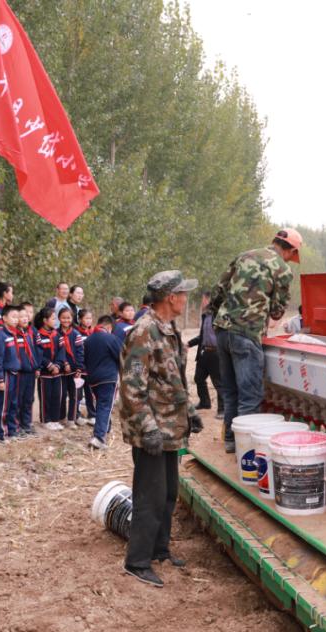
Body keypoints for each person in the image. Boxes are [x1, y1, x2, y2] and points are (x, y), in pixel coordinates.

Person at [119, 270, 202, 588]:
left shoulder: (169, 329)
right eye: (183, 293)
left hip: (171, 427)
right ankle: (137, 561)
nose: (186, 298)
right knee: (149, 496)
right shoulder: (143, 332)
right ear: (171, 297)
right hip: (152, 429)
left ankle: (159, 550)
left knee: (167, 493)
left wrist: (190, 411)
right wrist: (147, 427)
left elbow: (175, 378)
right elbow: (132, 386)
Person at [210, 229, 299, 453]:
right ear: (290, 250)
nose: (290, 259)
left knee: (230, 391)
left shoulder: (244, 256)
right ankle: (245, 451)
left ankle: (230, 440)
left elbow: (218, 290)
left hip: (222, 330)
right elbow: (278, 311)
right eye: (292, 255)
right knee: (250, 396)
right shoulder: (282, 269)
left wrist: (220, 316)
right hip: (246, 334)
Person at [84, 315, 123, 450]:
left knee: (102, 405)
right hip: (108, 378)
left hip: (92, 379)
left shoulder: (88, 340)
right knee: (105, 406)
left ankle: (106, 429)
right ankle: (99, 437)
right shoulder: (111, 338)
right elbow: (122, 357)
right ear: (109, 327)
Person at [188, 291, 223, 417]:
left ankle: (222, 410)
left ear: (210, 300)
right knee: (198, 378)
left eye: (204, 299)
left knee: (219, 383)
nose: (202, 302)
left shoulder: (219, 316)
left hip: (216, 353)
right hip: (204, 352)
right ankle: (205, 402)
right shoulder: (205, 316)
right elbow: (203, 336)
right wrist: (189, 343)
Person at [0, 305, 23, 442]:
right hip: (5, 374)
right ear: (4, 318)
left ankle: (12, 429)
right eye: (13, 317)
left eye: (18, 317)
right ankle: (1, 432)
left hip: (15, 374)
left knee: (13, 403)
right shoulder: (1, 335)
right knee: (3, 404)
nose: (16, 320)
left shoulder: (15, 333)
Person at [34, 307, 63, 431]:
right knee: (46, 396)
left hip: (57, 372)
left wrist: (57, 365)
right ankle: (46, 420)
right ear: (45, 320)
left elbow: (62, 351)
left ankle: (55, 420)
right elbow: (39, 354)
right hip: (45, 373)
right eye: (53, 318)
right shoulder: (38, 335)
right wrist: (49, 365)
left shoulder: (57, 334)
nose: (55, 321)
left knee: (57, 395)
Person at [56, 307, 85, 426]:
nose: (66, 320)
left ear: (72, 318)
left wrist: (79, 368)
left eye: (68, 317)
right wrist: (63, 363)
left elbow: (80, 352)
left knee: (75, 395)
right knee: (62, 394)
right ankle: (61, 417)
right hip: (62, 370)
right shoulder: (56, 334)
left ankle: (71, 419)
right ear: (59, 319)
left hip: (74, 370)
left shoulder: (76, 334)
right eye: (63, 318)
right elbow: (57, 352)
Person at [16, 303, 38, 436]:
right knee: (19, 398)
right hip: (20, 372)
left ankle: (27, 423)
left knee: (29, 399)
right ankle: (17, 425)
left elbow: (34, 351)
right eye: (22, 316)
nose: (25, 318)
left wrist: (36, 366)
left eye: (27, 315)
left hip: (31, 370)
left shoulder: (30, 333)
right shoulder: (15, 334)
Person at [76, 309, 97, 426]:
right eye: (86, 318)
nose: (88, 321)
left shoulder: (93, 332)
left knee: (90, 393)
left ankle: (92, 414)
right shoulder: (76, 332)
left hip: (90, 368)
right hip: (80, 368)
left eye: (90, 318)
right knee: (78, 394)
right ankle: (77, 415)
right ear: (80, 319)